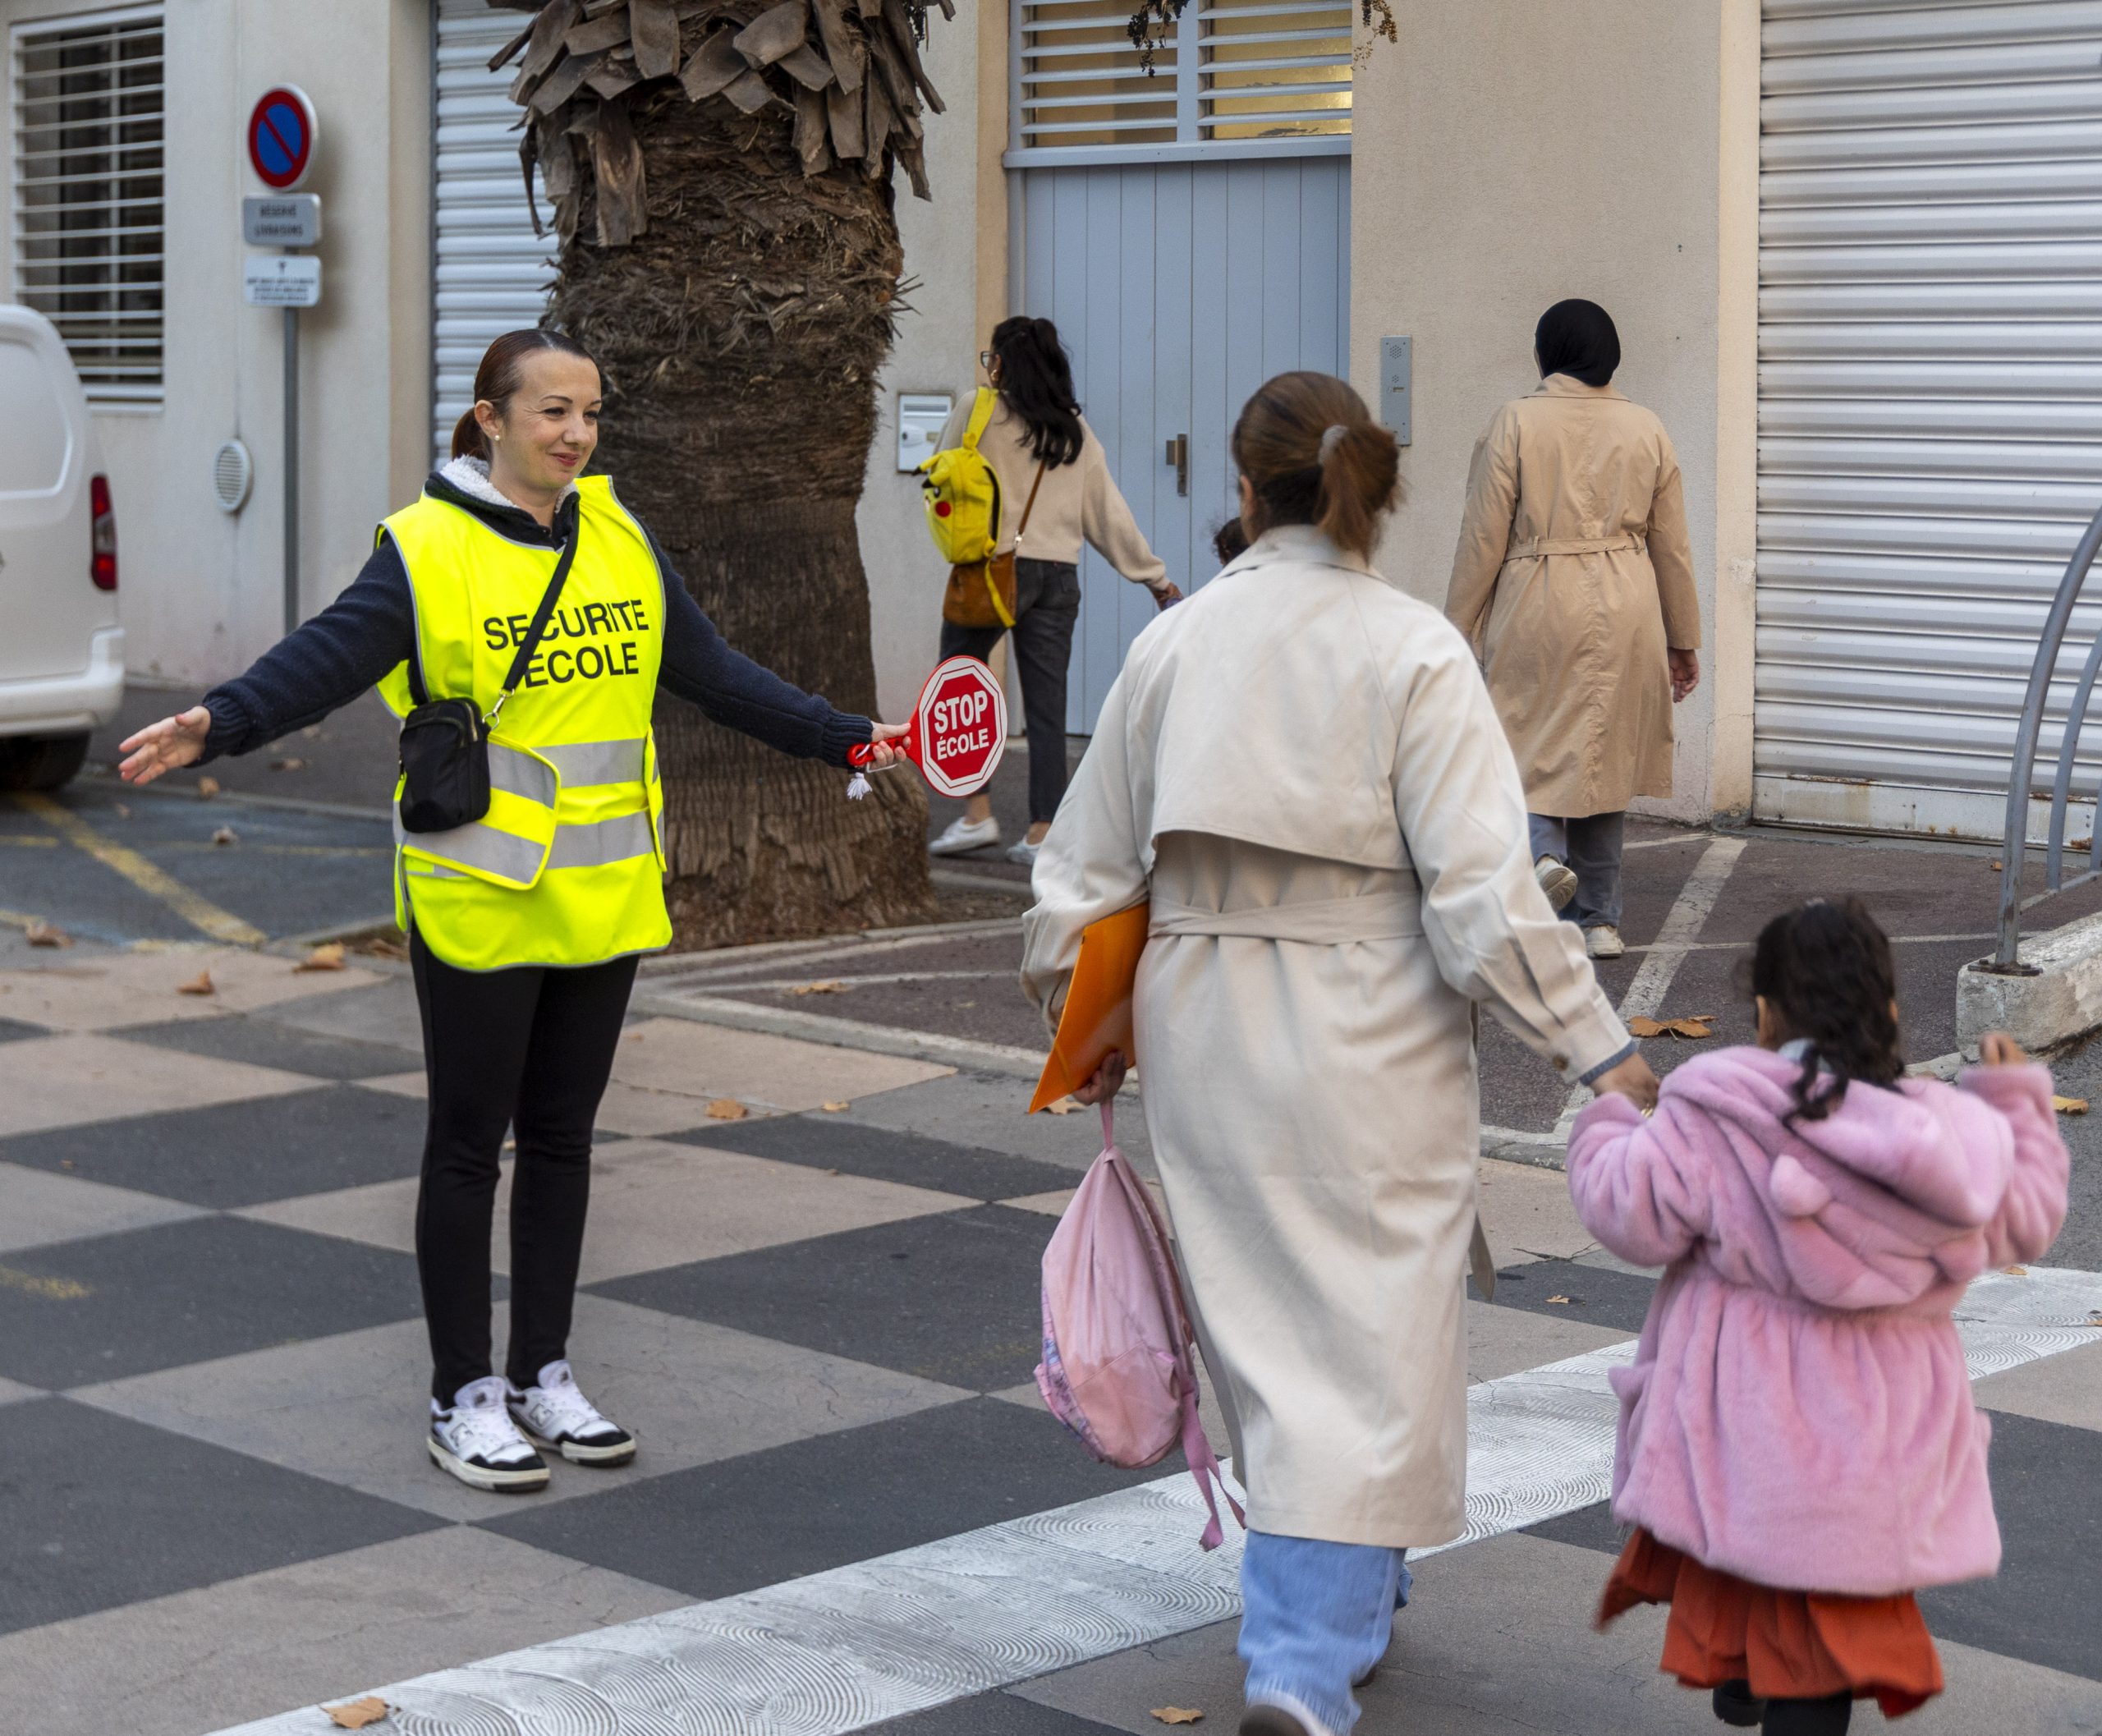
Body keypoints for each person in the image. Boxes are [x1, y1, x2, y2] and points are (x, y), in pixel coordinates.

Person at [117, 328, 905, 1495]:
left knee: (566, 1140)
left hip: (600, 893)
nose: (576, 433)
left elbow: (716, 672)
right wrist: (218, 720)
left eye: (589, 411)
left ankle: (544, 1371)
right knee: (466, 1147)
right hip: (480, 896)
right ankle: (462, 1392)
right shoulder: (426, 549)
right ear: (490, 419)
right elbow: (327, 656)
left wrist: (845, 732)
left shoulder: (622, 536)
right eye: (551, 411)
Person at [1021, 370, 1659, 1736]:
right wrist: (1600, 1052)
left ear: (1246, 494)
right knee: (1372, 1336)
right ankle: (1301, 1656)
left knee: (1265, 1334)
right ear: (1368, 491)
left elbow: (1075, 879)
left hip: (1205, 1016)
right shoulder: (1414, 649)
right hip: (1379, 1023)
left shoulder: (1176, 646)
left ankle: (1336, 1617)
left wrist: (1093, 1022)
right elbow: (1487, 901)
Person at [1569, 898, 2069, 1735]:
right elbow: (2025, 1218)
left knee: (1776, 1622)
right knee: (1820, 1650)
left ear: (1764, 1013)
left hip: (1749, 1425)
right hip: (1884, 1433)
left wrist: (1607, 1120)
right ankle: (1764, 1678)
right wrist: (2016, 1101)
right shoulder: (1949, 1134)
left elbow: (1632, 1213)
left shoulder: (1718, 1107)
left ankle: (1751, 1674)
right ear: (1893, 1014)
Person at [1444, 298, 1702, 961]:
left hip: (1537, 594)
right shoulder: (1646, 427)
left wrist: (1456, 629)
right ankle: (1600, 921)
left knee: (1524, 748)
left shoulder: (1515, 422)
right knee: (1605, 759)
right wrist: (1683, 637)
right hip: (1628, 600)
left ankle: (1539, 870)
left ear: (1547, 352)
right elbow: (1671, 545)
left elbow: (1482, 538)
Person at [927, 316, 1179, 867]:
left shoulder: (979, 409)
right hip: (1058, 576)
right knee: (1047, 708)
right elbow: (1107, 515)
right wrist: (1154, 578)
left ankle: (977, 814)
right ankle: (1042, 829)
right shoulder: (1074, 431)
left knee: (962, 687)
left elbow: (943, 471)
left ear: (1002, 363)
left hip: (991, 571)